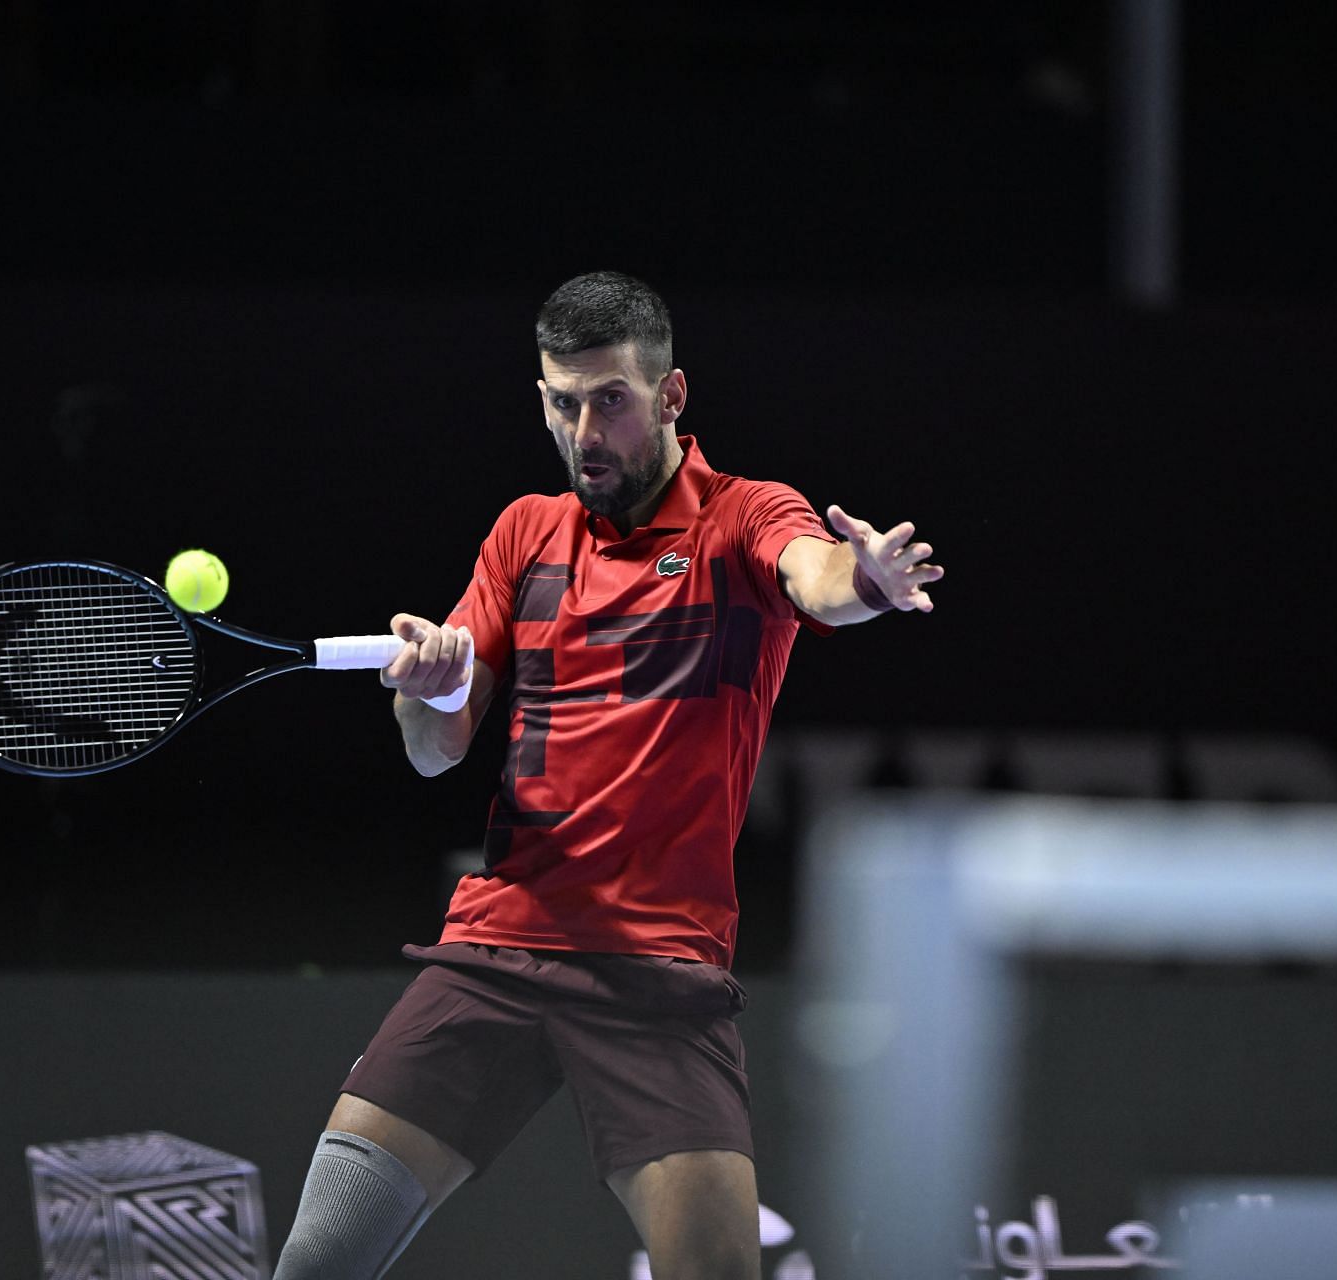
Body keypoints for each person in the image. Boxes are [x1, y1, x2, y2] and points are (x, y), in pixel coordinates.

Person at [273, 271, 941, 1280]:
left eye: (610, 400)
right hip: (499, 948)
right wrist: (438, 688)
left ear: (670, 396)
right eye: (560, 400)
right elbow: (430, 749)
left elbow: (819, 576)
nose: (584, 428)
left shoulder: (742, 516)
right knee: (316, 1264)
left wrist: (872, 581)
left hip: (657, 974)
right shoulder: (523, 533)